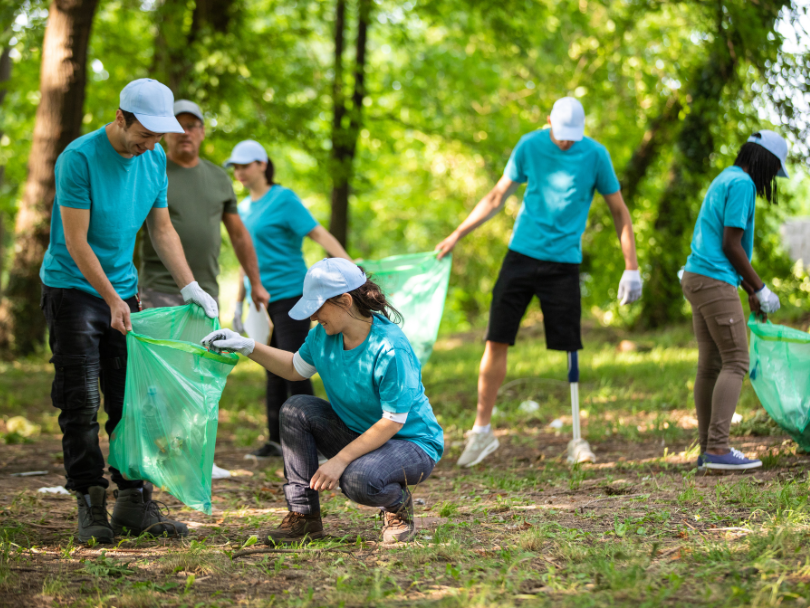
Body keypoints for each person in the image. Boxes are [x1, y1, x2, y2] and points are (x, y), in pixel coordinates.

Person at [39, 79, 219, 543]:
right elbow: (76, 241)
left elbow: (161, 230)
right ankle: (90, 503)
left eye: (158, 137)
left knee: (132, 404)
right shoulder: (78, 158)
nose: (149, 146)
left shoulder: (155, 157)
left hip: (122, 291)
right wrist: (112, 299)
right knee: (81, 404)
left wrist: (191, 286)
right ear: (121, 117)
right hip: (73, 291)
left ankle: (134, 502)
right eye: (144, 135)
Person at [435, 97, 642, 468]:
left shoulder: (595, 155)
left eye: (572, 138)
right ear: (548, 122)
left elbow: (619, 211)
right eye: (560, 136)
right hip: (521, 256)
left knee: (570, 347)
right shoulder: (529, 145)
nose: (566, 143)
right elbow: (497, 195)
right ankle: (481, 433)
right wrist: (457, 234)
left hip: (564, 263)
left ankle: (577, 438)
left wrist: (632, 267)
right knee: (495, 338)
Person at [201, 258, 444, 544]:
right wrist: (247, 345)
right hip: (359, 432)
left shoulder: (390, 347)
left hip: (410, 443)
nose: (314, 316)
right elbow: (294, 368)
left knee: (357, 479)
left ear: (344, 300)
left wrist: (338, 461)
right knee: (296, 409)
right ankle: (304, 519)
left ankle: (397, 506)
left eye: (318, 307)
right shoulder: (322, 337)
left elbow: (392, 422)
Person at [223, 140, 352, 460]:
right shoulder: (243, 208)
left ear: (262, 164)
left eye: (245, 164)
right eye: (235, 166)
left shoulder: (283, 199)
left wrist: (350, 268)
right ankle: (276, 441)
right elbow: (244, 257)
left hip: (292, 294)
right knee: (271, 366)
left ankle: (320, 442)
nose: (239, 171)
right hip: (261, 301)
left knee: (296, 365)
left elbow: (318, 234)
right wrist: (239, 301)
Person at [682, 131, 788, 472]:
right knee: (736, 361)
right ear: (765, 161)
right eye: (773, 171)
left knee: (710, 365)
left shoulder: (725, 177)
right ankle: (717, 448)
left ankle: (707, 450)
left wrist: (750, 290)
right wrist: (760, 287)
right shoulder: (741, 184)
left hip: (697, 276)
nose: (771, 178)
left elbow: (719, 245)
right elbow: (731, 245)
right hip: (713, 280)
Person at [139, 100, 269, 312]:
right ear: (165, 133)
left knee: (203, 347)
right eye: (178, 126)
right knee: (161, 347)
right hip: (159, 289)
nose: (185, 132)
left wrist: (255, 284)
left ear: (202, 132)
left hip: (206, 290)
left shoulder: (219, 178)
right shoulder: (151, 171)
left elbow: (238, 236)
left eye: (191, 126)